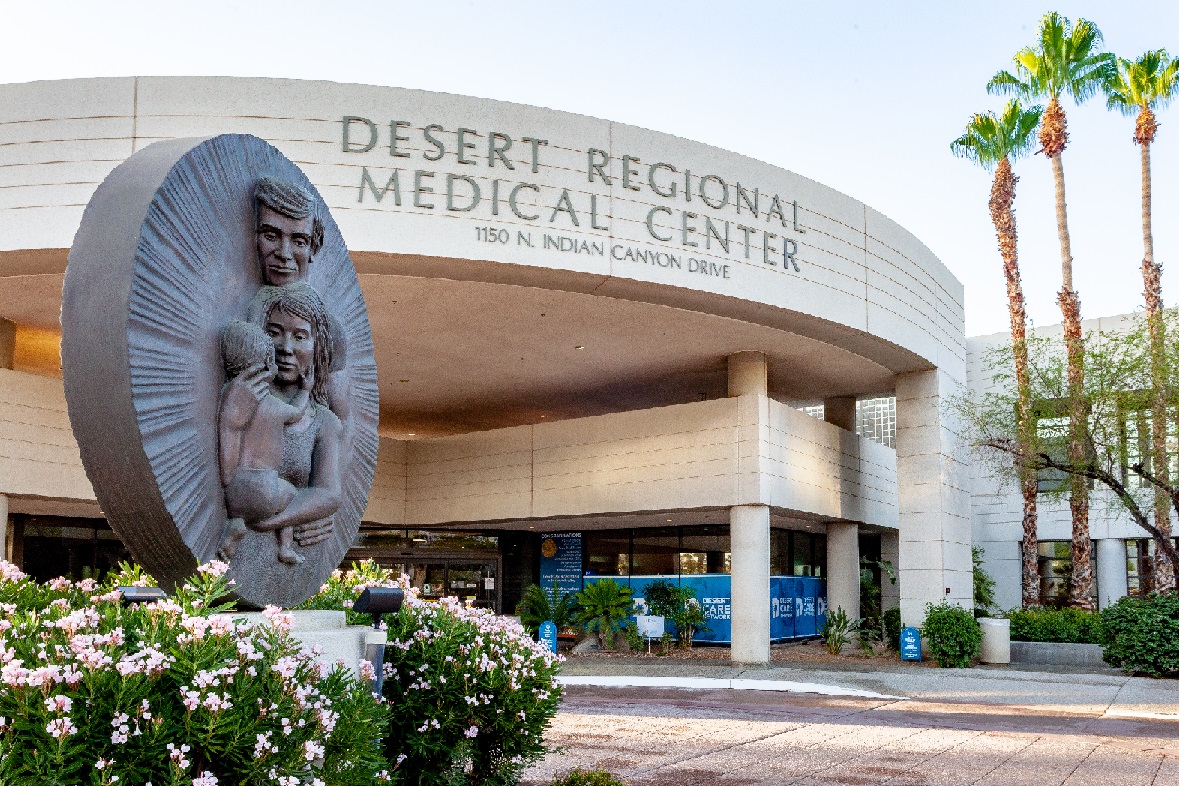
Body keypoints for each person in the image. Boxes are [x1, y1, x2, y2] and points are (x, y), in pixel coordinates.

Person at [239, 284, 343, 550]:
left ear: (316, 347)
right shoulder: (243, 401)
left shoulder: (324, 423)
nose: (286, 348)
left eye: (299, 336)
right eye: (274, 333)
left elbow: (329, 493)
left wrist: (273, 522)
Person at [215, 320, 309, 565]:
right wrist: (306, 390)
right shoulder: (273, 407)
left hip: (235, 491)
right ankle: (285, 547)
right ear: (270, 366)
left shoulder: (229, 397)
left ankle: (237, 524)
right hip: (265, 487)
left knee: (247, 508)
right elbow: (297, 413)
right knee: (292, 495)